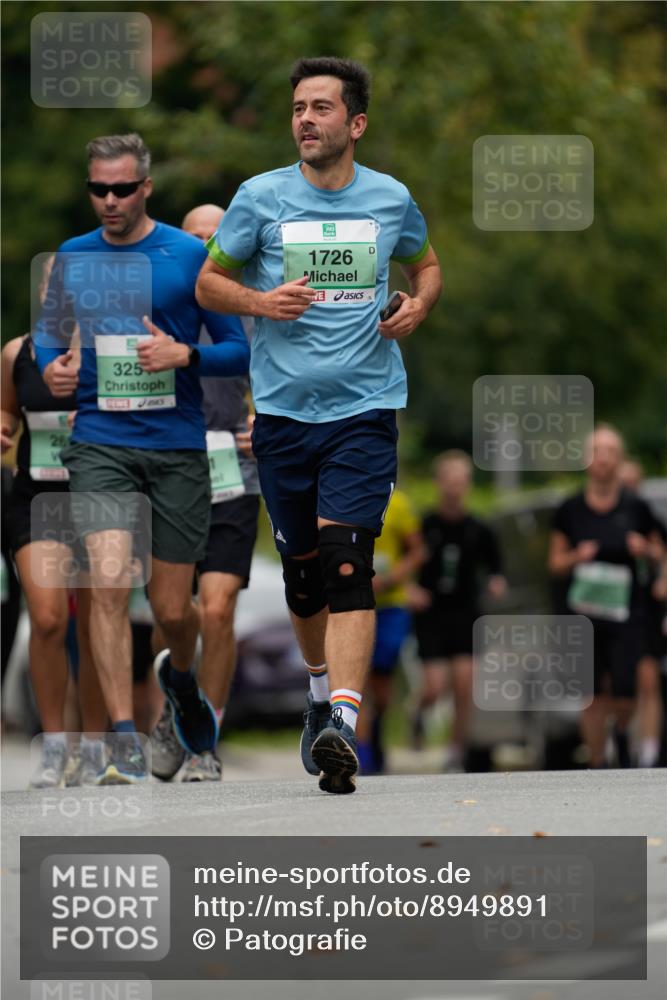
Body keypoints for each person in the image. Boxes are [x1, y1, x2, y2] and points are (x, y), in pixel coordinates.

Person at [197, 57, 442, 794]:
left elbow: (426, 267)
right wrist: (258, 303)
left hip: (364, 409)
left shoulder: (389, 200)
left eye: (321, 108)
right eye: (298, 108)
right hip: (278, 415)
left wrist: (417, 306)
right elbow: (208, 280)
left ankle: (343, 720)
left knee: (346, 562)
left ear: (355, 124)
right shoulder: (260, 197)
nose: (305, 119)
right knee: (303, 578)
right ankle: (316, 693)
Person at [34, 133, 250, 784]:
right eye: (98, 189)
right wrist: (56, 371)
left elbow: (239, 350)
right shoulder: (73, 258)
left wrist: (186, 356)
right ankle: (123, 739)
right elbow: (48, 341)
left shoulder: (189, 256)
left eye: (122, 189)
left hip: (177, 447)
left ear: (146, 187)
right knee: (104, 580)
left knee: (175, 612)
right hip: (101, 440)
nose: (109, 201)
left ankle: (179, 692)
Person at [151, 203, 260, 783]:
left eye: (218, 238)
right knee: (175, 615)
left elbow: (287, 380)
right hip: (167, 470)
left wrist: (264, 423)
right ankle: (177, 707)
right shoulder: (162, 310)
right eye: (197, 238)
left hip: (235, 475)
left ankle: (204, 741)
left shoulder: (252, 311)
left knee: (218, 610)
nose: (208, 247)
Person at [1, 257, 108, 787]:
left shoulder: (111, 351)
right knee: (47, 619)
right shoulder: (17, 353)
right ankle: (53, 745)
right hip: (37, 499)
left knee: (94, 627)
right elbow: (6, 416)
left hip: (101, 498)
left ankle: (93, 744)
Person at [548, 425, 663, 768]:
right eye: (598, 451)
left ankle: (623, 731)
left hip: (626, 612)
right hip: (584, 612)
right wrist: (575, 558)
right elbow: (554, 563)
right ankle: (597, 761)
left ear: (620, 459)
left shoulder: (636, 507)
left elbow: (660, 550)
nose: (604, 459)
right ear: (586, 459)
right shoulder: (570, 509)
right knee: (592, 693)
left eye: (612, 452)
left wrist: (646, 550)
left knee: (627, 691)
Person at [410, 451, 506, 772]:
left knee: (465, 685)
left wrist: (495, 582)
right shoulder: (425, 524)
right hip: (432, 612)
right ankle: (418, 711)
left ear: (467, 485)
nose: (454, 488)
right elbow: (404, 560)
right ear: (439, 484)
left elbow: (496, 566)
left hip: (466, 612)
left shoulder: (478, 528)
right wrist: (409, 589)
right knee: (436, 686)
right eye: (448, 481)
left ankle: (455, 751)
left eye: (460, 481)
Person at [356, 488, 424, 774]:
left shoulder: (399, 503)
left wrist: (391, 579)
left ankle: (379, 733)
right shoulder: (343, 496)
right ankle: (364, 754)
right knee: (358, 679)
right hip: (356, 604)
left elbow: (418, 552)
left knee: (382, 687)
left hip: (390, 606)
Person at [618, 457, 666, 767]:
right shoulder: (600, 515)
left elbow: (663, 551)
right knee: (620, 684)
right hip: (611, 612)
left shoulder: (647, 516)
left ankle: (649, 750)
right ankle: (621, 738)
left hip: (645, 610)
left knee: (649, 679)